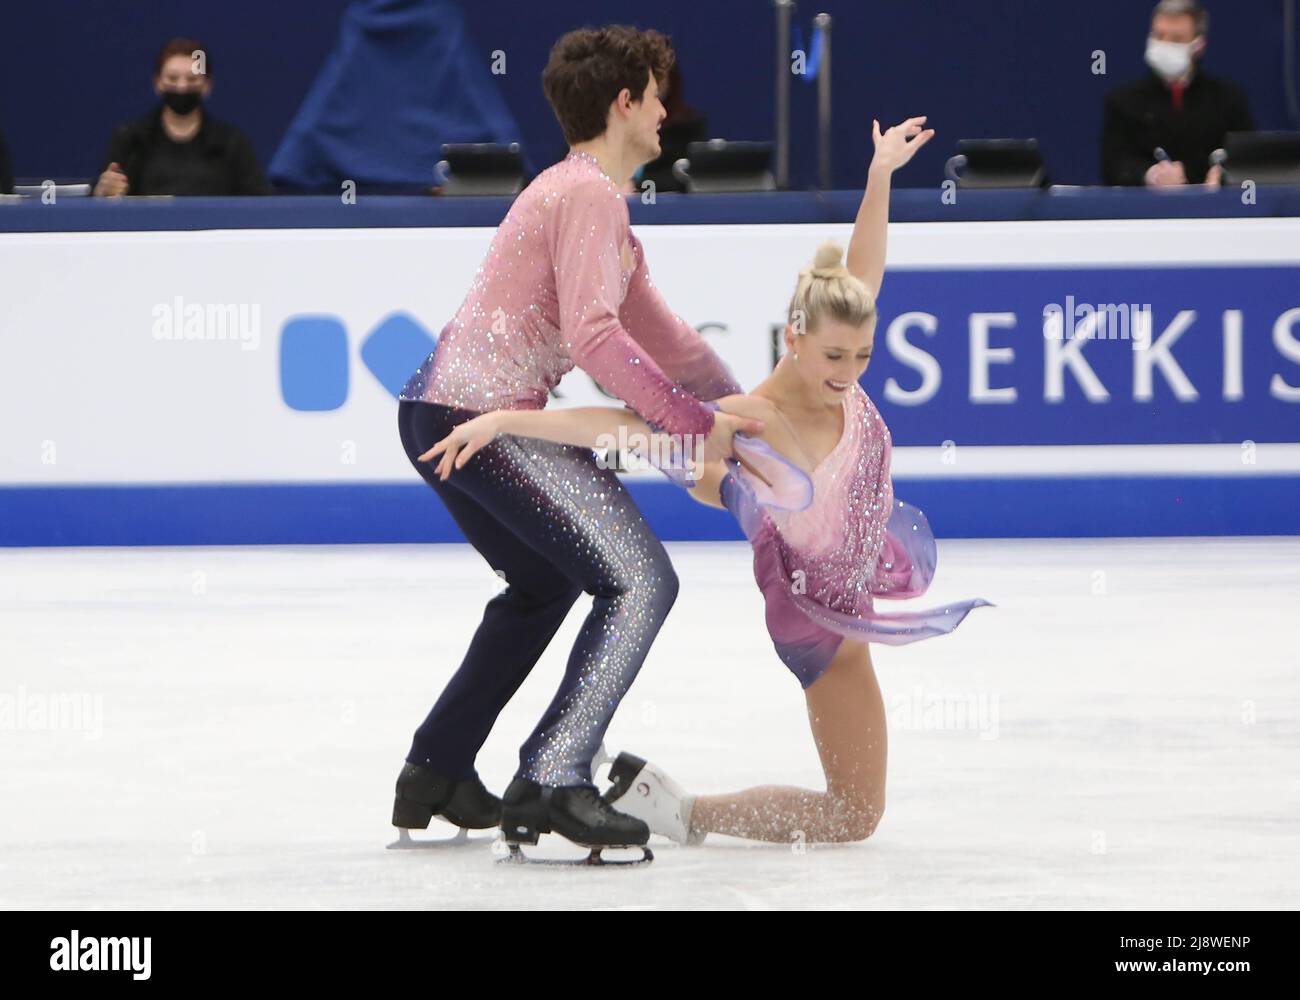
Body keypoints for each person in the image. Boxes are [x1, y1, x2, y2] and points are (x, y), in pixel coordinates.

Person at [423, 116, 992, 846]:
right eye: (833, 358)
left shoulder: (839, 354)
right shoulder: (748, 421)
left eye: (862, 356)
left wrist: (880, 173)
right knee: (852, 819)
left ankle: (668, 803)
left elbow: (864, 269)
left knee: (857, 811)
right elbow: (620, 427)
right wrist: (505, 422)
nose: (848, 375)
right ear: (793, 338)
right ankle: (681, 811)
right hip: (819, 620)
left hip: (857, 588)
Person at [391, 25, 759, 856]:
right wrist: (694, 426)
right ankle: (554, 776)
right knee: (639, 580)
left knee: (542, 585)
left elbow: (678, 350)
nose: (669, 113)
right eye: (657, 96)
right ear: (624, 104)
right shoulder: (587, 194)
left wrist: (752, 412)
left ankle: (438, 767)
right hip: (478, 419)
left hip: (436, 410)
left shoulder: (594, 210)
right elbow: (596, 341)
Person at [1100, 0, 1253, 187]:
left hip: (1212, 209)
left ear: (1198, 45)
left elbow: (1247, 160)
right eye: (1159, 35)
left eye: (1176, 39)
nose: (1164, 45)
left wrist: (1222, 174)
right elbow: (1114, 164)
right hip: (1147, 210)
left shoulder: (1228, 98)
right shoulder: (1123, 101)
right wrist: (1151, 175)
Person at [93, 38, 268, 197]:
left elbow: (259, 201)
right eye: (172, 78)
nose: (182, 87)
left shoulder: (231, 142)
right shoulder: (131, 139)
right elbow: (98, 200)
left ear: (207, 85)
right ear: (157, 83)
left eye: (192, 79)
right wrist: (104, 192)